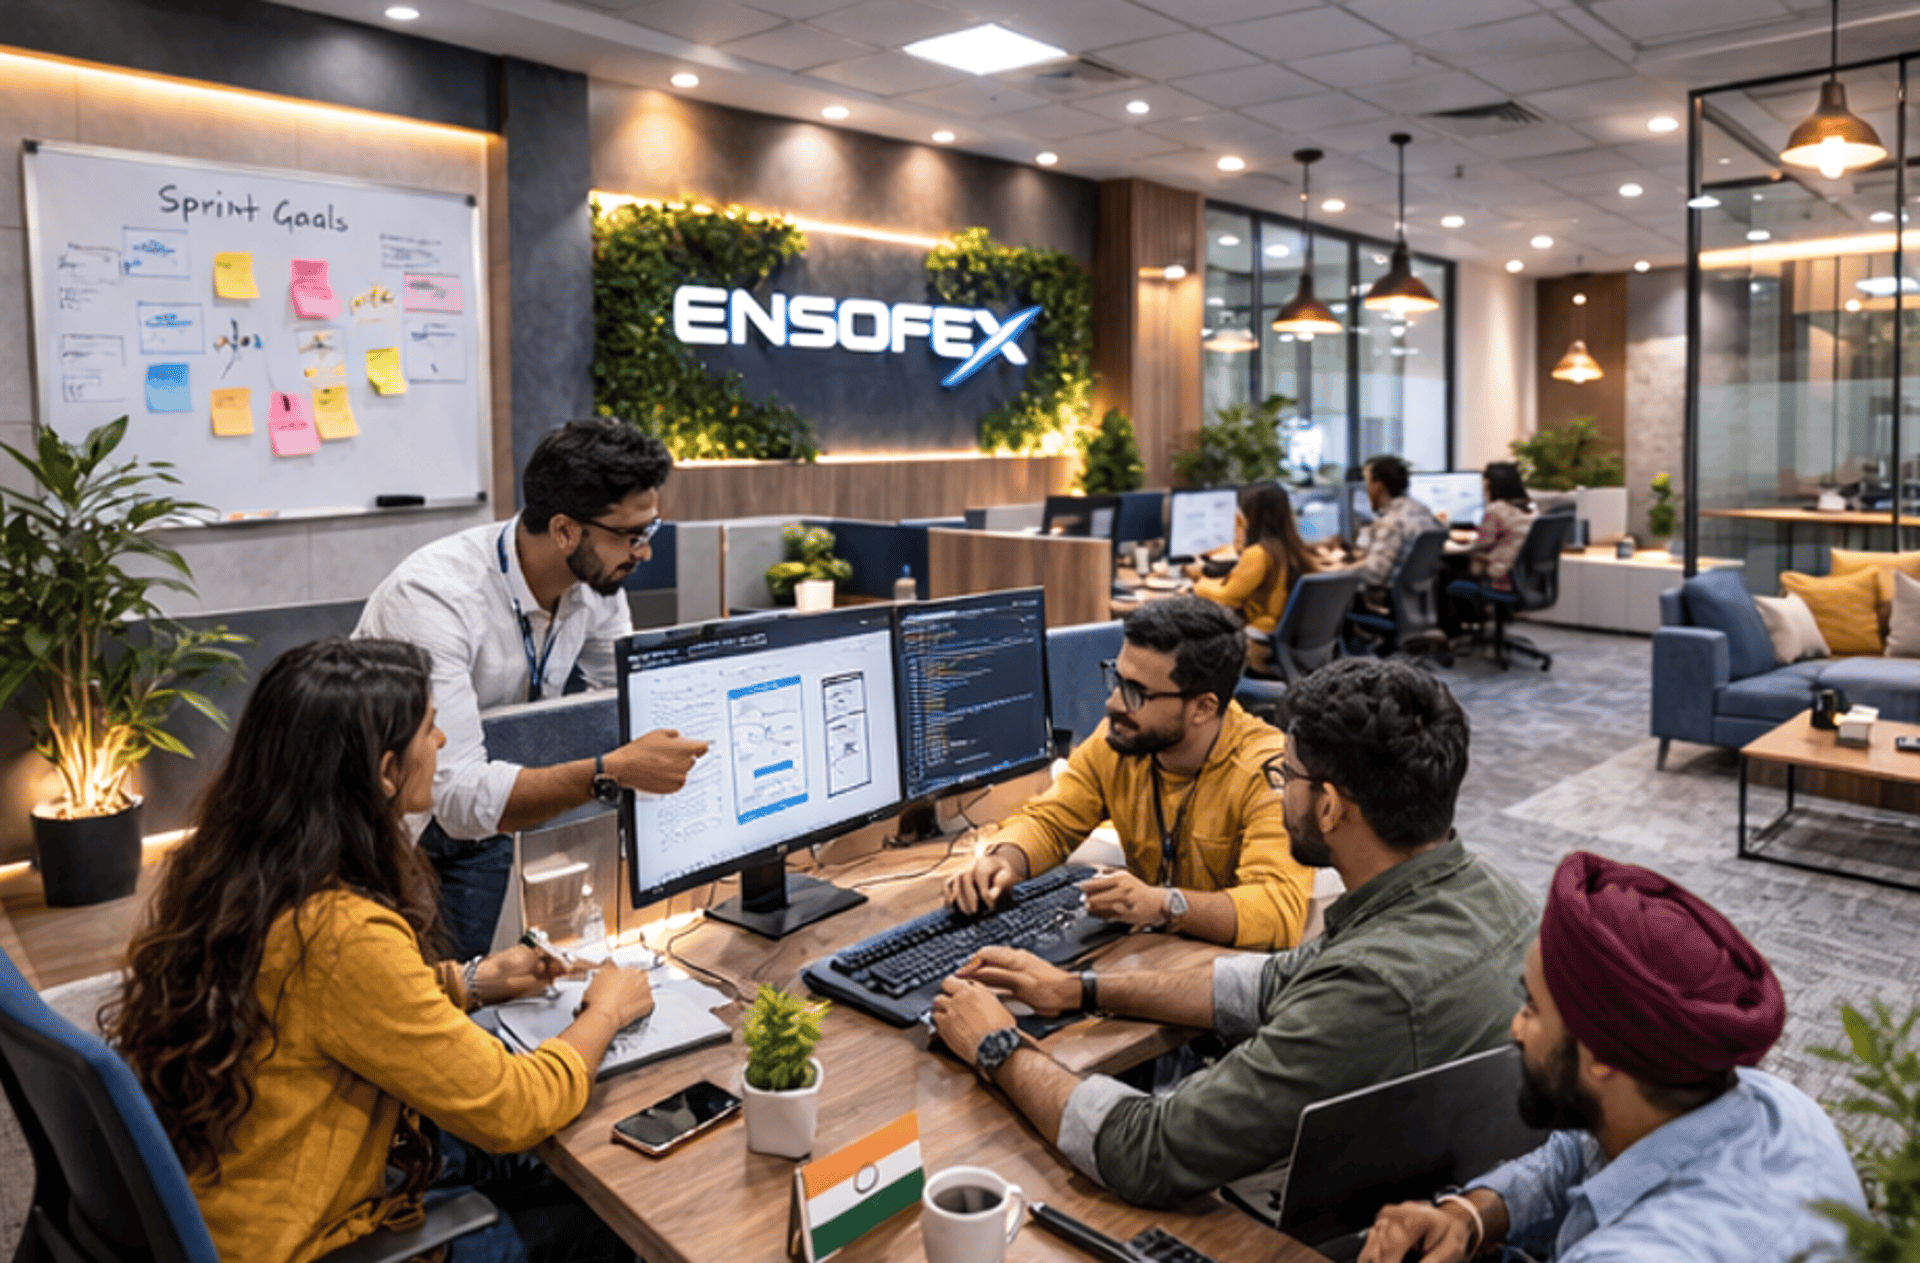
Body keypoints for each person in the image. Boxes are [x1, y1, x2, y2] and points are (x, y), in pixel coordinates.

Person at [107, 639, 655, 1263]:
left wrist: (471, 981)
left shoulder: (242, 872)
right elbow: (514, 1108)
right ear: (386, 772)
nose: (443, 742)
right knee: (619, 1222)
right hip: (314, 1238)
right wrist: (606, 1011)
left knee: (552, 1165)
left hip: (239, 1191)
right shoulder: (341, 933)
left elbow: (316, 1007)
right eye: (430, 727)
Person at [931, 658, 1537, 1210]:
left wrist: (1000, 1046)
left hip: (1302, 1231)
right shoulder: (1492, 896)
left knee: (1010, 1179)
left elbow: (1149, 1152)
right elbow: (1269, 981)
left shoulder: (1369, 987)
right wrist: (1078, 989)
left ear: (1329, 807)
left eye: (1287, 774)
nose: (1279, 791)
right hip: (1426, 1194)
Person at [1359, 852, 1866, 1263]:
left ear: (1603, 1056)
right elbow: (1578, 1156)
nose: (1515, 1027)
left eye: (1532, 1008)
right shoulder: (1763, 1099)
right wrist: (1468, 1217)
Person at [356, 417, 709, 960]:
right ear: (565, 530)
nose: (644, 553)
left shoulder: (596, 585)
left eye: (650, 532)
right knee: (399, 998)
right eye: (631, 536)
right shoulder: (434, 598)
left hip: (484, 816)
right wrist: (607, 773)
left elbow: (630, 695)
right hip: (384, 827)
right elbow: (450, 796)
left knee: (465, 982)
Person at [943, 596, 1312, 950]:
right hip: (1159, 949)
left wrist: (1166, 904)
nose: (1113, 702)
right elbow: (1052, 821)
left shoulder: (1267, 772)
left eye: (1136, 692)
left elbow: (1277, 910)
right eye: (1117, 679)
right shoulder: (1121, 741)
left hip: (1229, 969)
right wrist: (1003, 860)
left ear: (1202, 707)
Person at [1190, 484, 1320, 677]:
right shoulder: (1288, 548)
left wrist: (1200, 582)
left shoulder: (1259, 554)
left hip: (1258, 641)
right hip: (1282, 638)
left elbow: (1226, 599)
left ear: (1251, 516)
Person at [1351, 453, 1441, 610]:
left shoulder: (1391, 522)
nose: (1366, 490)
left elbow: (1374, 576)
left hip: (1390, 604)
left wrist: (1341, 569)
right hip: (1420, 603)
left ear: (1378, 487)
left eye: (1367, 483)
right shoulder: (1423, 510)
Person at [1464, 460, 1536, 592]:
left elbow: (1482, 543)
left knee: (1450, 567)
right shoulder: (1531, 508)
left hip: (1499, 574)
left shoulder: (1496, 509)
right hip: (1523, 576)